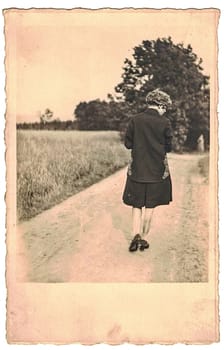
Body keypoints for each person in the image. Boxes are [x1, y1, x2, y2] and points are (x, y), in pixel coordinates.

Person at [122, 88, 173, 252]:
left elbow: (128, 144)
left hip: (136, 170)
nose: (164, 110)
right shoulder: (165, 122)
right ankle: (143, 238)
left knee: (136, 205)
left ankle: (135, 235)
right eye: (164, 107)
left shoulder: (135, 120)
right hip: (157, 172)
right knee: (150, 206)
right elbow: (169, 147)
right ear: (159, 104)